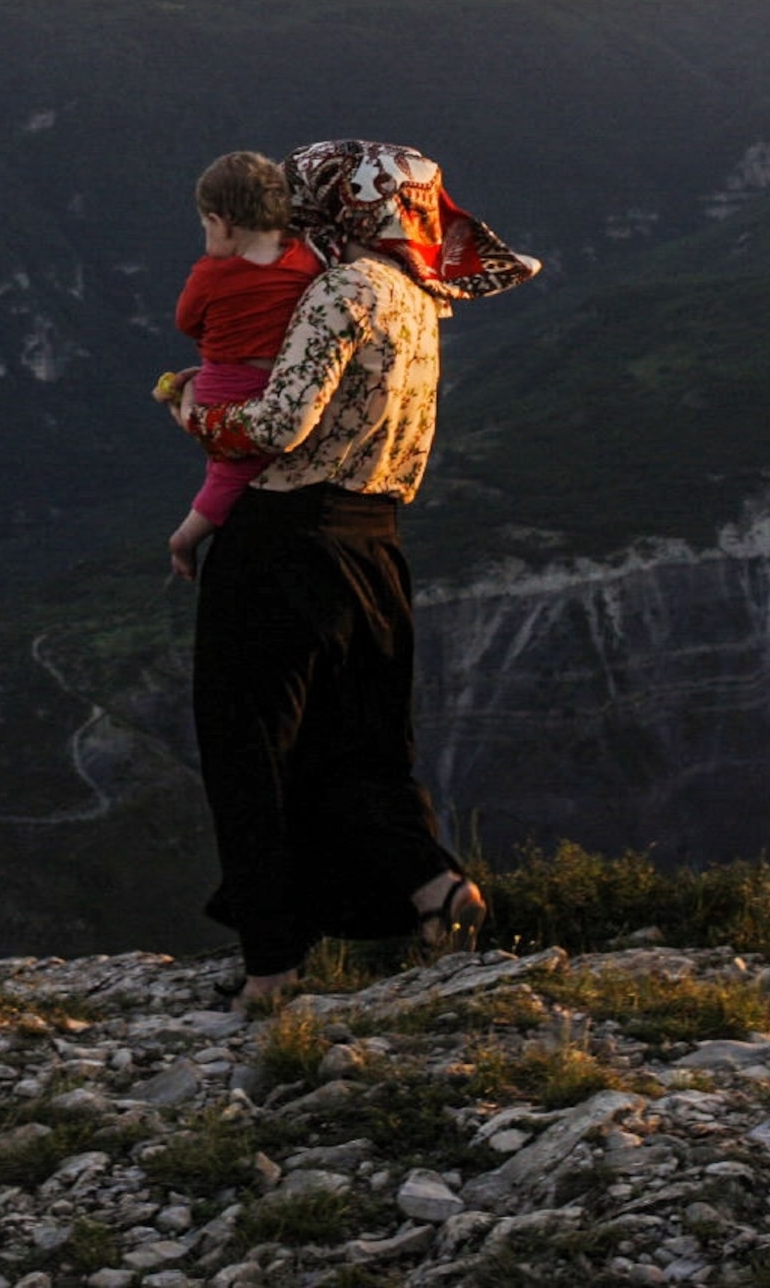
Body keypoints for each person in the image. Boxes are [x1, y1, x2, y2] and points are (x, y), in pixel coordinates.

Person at [165, 139, 539, 1006]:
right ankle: (432, 888)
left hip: (285, 543)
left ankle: (271, 964)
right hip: (377, 543)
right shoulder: (418, 299)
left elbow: (279, 426)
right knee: (363, 741)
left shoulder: (338, 293)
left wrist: (194, 411)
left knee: (249, 746)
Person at [164, 152, 323, 581]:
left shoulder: (212, 274)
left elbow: (185, 321)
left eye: (205, 228)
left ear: (222, 223)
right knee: (239, 470)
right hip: (285, 383)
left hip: (225, 382)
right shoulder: (307, 260)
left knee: (229, 473)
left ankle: (185, 537)